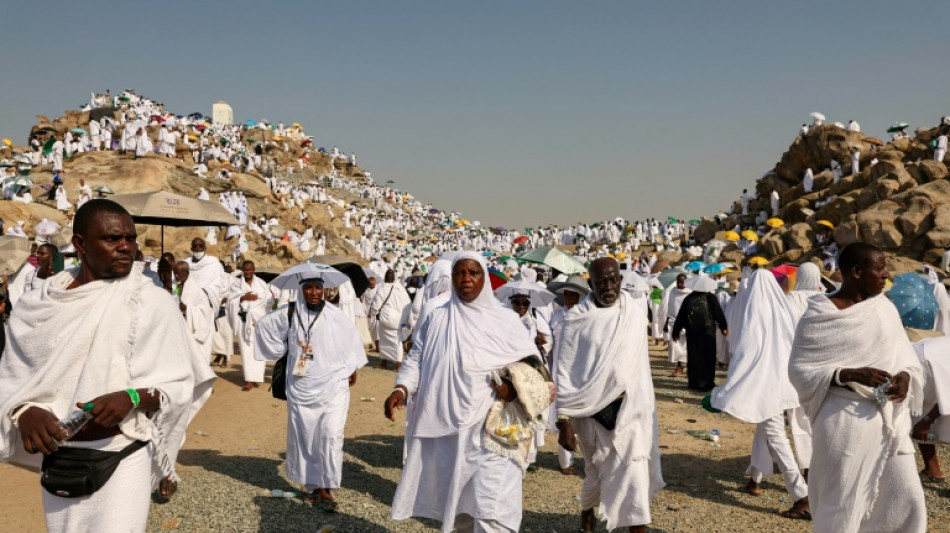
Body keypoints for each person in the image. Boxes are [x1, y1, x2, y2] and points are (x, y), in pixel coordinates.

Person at [0, 200, 213, 532]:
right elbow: (12, 380)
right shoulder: (37, 305)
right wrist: (23, 411)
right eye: (113, 239)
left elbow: (180, 384)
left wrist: (131, 397)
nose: (125, 247)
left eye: (130, 238)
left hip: (122, 452)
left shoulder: (151, 300)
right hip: (60, 459)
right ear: (81, 244)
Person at [386, 252, 542, 532]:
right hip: (448, 430)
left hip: (493, 429)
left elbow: (534, 369)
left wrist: (511, 389)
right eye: (459, 273)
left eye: (473, 273)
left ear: (484, 278)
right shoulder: (437, 318)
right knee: (459, 509)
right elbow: (416, 358)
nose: (466, 279)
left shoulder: (505, 320)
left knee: (493, 507)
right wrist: (401, 387)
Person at [789, 242, 926, 532]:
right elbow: (799, 369)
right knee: (843, 503)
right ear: (856, 272)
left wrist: (905, 376)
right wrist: (845, 373)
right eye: (880, 269)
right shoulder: (820, 314)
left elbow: (906, 356)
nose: (887, 275)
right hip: (843, 420)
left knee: (907, 497)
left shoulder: (884, 308)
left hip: (889, 420)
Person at [554, 258, 663, 533]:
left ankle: (636, 526)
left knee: (634, 470)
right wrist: (564, 421)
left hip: (631, 410)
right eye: (602, 281)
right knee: (595, 470)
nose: (609, 286)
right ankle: (587, 512)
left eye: (614, 279)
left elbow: (639, 368)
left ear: (621, 280)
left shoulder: (634, 313)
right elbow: (565, 372)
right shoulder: (575, 319)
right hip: (592, 413)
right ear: (591, 283)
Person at [255, 275, 366, 511]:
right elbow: (264, 327)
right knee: (306, 436)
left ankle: (326, 487)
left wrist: (352, 365)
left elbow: (351, 341)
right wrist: (282, 349)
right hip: (301, 386)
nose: (314, 293)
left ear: (324, 290)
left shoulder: (336, 315)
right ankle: (313, 485)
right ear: (302, 290)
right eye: (309, 288)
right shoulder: (290, 313)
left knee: (330, 435)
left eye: (318, 288)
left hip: (334, 385)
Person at [712, 269, 808, 517]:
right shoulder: (783, 311)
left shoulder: (754, 315)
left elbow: (745, 352)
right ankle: (754, 478)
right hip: (783, 383)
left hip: (765, 386)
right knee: (765, 429)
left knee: (776, 436)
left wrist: (728, 388)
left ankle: (801, 495)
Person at [784, 262, 823, 473]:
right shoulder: (824, 298)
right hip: (821, 367)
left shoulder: (789, 300)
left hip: (795, 365)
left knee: (798, 417)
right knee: (818, 415)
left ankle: (807, 465)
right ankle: (817, 462)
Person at [671, 278, 727, 391]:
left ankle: (693, 383)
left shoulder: (689, 298)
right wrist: (724, 327)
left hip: (692, 332)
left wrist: (675, 332)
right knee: (708, 357)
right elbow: (719, 314)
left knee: (694, 357)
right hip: (708, 333)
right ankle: (708, 383)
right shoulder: (711, 298)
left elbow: (681, 317)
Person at [228, 261, 272, 391]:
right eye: (245, 270)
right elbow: (230, 301)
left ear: (253, 270)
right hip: (244, 321)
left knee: (258, 350)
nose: (247, 272)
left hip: (258, 322)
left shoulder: (262, 284)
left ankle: (257, 377)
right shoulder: (236, 284)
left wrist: (257, 303)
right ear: (242, 270)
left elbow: (269, 301)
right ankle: (249, 380)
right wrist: (243, 297)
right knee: (246, 351)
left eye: (249, 269)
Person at [368, 269, 411, 370]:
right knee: (398, 342)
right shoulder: (401, 289)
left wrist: (372, 314)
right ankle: (399, 365)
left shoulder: (382, 288)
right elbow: (408, 304)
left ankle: (384, 362)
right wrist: (406, 319)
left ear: (385, 278)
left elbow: (376, 305)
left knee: (384, 340)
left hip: (386, 319)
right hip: (399, 320)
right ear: (394, 278)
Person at [173, 261, 214, 363]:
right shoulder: (176, 287)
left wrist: (187, 309)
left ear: (186, 273)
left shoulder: (196, 291)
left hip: (195, 329)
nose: (176, 276)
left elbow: (205, 311)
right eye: (175, 273)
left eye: (179, 273)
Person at [660, 274, 691, 377]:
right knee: (674, 346)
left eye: (682, 282)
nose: (679, 284)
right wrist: (666, 322)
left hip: (686, 324)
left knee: (686, 347)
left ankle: (684, 366)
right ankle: (680, 365)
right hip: (673, 323)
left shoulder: (690, 293)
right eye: (678, 282)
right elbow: (670, 308)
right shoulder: (673, 291)